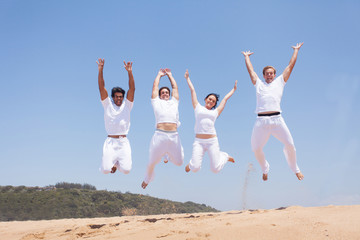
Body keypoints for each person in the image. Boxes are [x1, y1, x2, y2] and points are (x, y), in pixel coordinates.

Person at [241, 43, 304, 181]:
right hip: (261, 121)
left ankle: (296, 169)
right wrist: (246, 58)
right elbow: (251, 71)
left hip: (277, 120)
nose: (269, 75)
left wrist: (296, 51)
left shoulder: (280, 82)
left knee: (290, 145)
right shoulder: (259, 84)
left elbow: (290, 66)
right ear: (263, 75)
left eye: (271, 73)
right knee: (256, 148)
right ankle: (265, 169)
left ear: (275, 75)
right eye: (267, 73)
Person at [184, 69, 236, 174]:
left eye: (213, 101)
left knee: (215, 169)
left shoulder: (216, 112)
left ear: (214, 104)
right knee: (195, 168)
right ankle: (191, 164)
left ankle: (224, 156)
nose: (211, 101)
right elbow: (193, 90)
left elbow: (225, 99)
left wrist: (233, 90)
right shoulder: (197, 107)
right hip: (199, 141)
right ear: (205, 99)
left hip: (212, 141)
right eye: (209, 99)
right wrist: (187, 78)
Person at [141, 68, 184, 189]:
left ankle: (167, 155)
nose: (165, 94)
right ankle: (147, 179)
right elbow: (155, 87)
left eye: (167, 92)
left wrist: (170, 75)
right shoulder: (156, 102)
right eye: (163, 93)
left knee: (179, 162)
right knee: (152, 162)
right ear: (159, 95)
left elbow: (175, 88)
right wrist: (159, 75)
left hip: (174, 136)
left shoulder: (174, 102)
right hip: (160, 135)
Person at [96, 58, 135, 175]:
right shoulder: (107, 104)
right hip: (110, 142)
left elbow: (132, 89)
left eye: (121, 96)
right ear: (113, 97)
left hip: (123, 142)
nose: (119, 98)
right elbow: (101, 87)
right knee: (105, 170)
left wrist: (129, 72)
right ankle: (111, 164)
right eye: (116, 96)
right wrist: (101, 70)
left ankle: (116, 164)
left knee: (127, 170)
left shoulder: (127, 105)